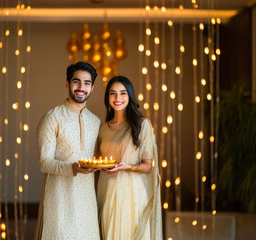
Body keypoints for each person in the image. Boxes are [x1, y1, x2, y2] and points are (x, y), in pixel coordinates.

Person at [35, 62, 101, 240]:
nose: (81, 87)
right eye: (76, 82)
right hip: (59, 197)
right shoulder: (52, 117)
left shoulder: (95, 122)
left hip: (87, 198)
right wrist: (72, 168)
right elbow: (44, 162)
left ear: (92, 87)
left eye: (87, 83)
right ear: (67, 83)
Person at [96, 76, 162, 240]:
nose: (118, 98)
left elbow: (148, 166)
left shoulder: (142, 125)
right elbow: (98, 161)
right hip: (107, 191)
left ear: (130, 96)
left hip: (132, 194)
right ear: (108, 98)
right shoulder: (102, 128)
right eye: (113, 93)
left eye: (123, 93)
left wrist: (128, 167)